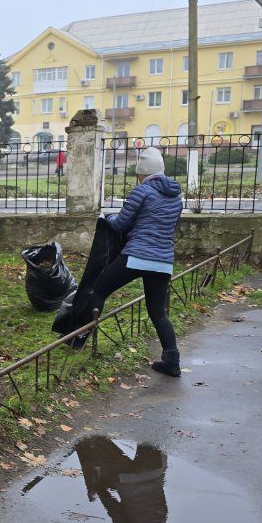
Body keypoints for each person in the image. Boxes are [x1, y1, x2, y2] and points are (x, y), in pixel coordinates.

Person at [86, 147, 183, 376]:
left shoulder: (142, 191)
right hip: (163, 262)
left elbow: (121, 224)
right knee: (158, 313)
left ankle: (80, 336)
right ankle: (172, 362)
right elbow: (171, 227)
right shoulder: (176, 197)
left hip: (136, 256)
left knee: (99, 290)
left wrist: (108, 217)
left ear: (142, 173)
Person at [75, 436, 168, 523]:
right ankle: (93, 441)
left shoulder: (161, 519)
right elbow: (113, 509)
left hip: (155, 471)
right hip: (129, 481)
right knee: (106, 469)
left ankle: (101, 439)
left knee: (146, 442)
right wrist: (99, 489)